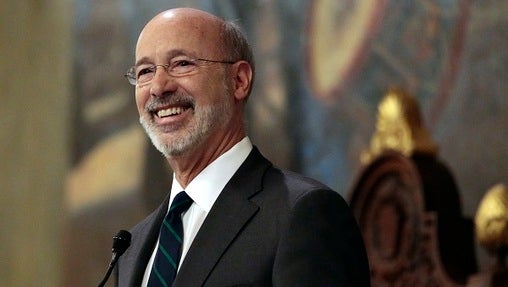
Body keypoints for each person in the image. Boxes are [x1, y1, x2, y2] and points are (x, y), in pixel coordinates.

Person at [116, 7, 370, 287]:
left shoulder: (301, 214)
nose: (159, 86)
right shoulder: (132, 247)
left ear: (239, 81)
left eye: (182, 64)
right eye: (145, 71)